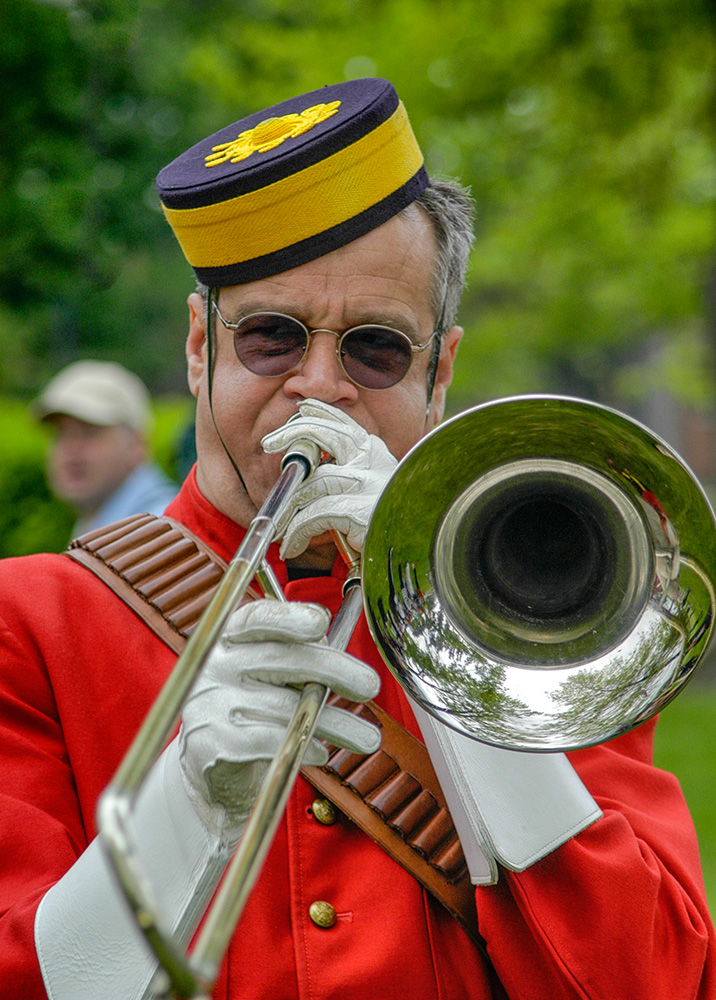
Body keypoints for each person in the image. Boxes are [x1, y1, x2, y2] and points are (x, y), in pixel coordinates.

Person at [0, 77, 713, 1000]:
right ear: (197, 345)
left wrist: (456, 639)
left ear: (441, 370)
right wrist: (180, 814)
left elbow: (655, 978)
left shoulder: (546, 624)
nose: (321, 386)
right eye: (270, 338)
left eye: (377, 348)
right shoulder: (29, 620)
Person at [33, 360, 179, 536]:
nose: (72, 446)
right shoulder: (100, 526)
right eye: (60, 433)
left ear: (136, 445)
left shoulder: (157, 533)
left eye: (89, 431)